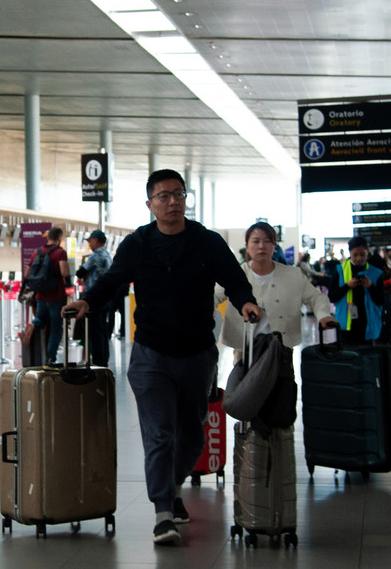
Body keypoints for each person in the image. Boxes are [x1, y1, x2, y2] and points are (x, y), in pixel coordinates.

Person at [62, 169, 261, 546]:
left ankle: (170, 490)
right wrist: (87, 300)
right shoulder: (138, 243)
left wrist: (246, 301)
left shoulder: (206, 242)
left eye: (178, 195)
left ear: (186, 199)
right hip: (151, 354)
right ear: (150, 203)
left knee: (192, 438)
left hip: (197, 354)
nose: (172, 202)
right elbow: (112, 281)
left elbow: (234, 278)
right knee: (159, 434)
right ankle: (162, 514)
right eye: (163, 196)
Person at [216, 222, 334, 357]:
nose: (261, 246)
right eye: (255, 241)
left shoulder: (293, 275)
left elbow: (316, 297)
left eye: (267, 241)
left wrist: (324, 315)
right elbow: (214, 295)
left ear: (274, 246)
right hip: (245, 349)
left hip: (282, 349)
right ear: (247, 247)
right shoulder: (235, 274)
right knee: (244, 378)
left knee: (283, 378)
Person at [22, 226, 70, 364]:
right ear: (59, 238)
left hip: (41, 295)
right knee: (56, 328)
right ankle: (50, 357)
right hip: (56, 295)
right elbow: (64, 272)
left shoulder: (37, 252)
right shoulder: (60, 252)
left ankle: (33, 325)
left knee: (41, 319)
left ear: (48, 237)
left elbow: (27, 274)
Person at [327, 236, 385, 345]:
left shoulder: (376, 273)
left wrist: (370, 286)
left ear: (368, 253)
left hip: (368, 324)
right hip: (346, 325)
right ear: (349, 253)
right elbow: (332, 296)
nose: (359, 258)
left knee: (366, 357)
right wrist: (347, 286)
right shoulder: (340, 270)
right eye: (355, 255)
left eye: (362, 254)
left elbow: (381, 300)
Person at [75, 230, 113, 364]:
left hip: (94, 299)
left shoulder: (95, 256)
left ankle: (97, 361)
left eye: (90, 241)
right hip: (106, 297)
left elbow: (80, 272)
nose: (89, 244)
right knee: (102, 330)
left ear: (96, 240)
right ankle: (103, 360)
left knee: (95, 332)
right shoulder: (108, 255)